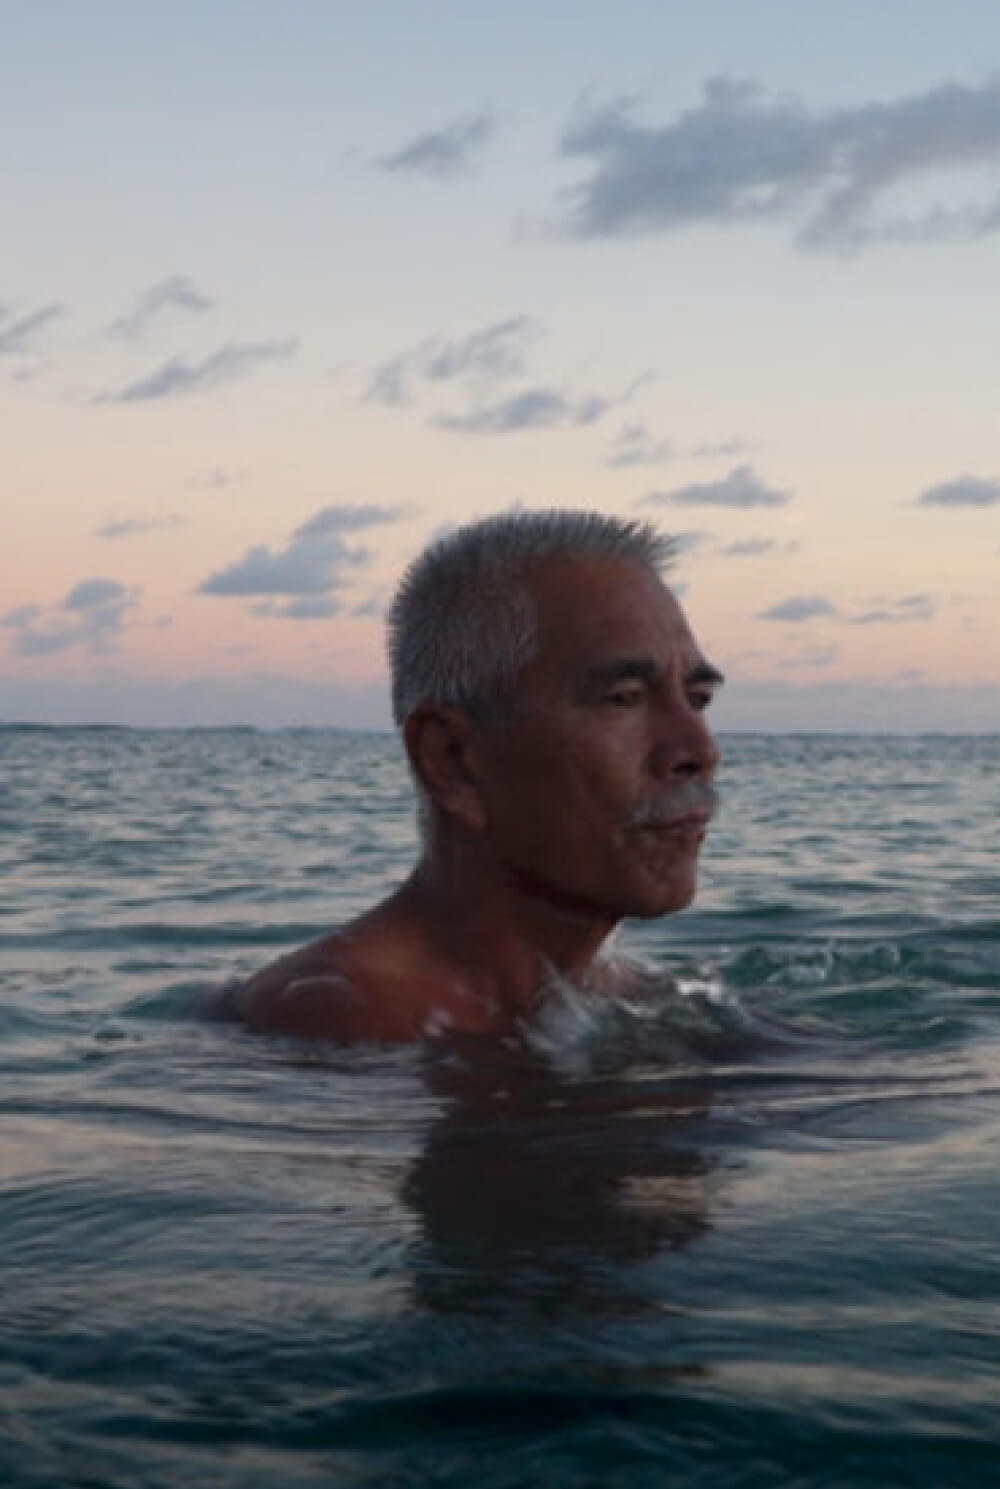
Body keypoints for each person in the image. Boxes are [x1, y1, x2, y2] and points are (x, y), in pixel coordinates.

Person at [227, 508, 722, 1042]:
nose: (699, 749)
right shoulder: (337, 1021)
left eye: (697, 699)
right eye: (623, 699)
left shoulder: (638, 1002)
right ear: (453, 759)